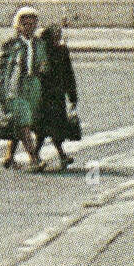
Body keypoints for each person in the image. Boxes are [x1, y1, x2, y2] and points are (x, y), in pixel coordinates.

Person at [0, 6, 45, 171]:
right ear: (18, 25)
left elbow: (44, 64)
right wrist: (0, 96)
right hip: (14, 88)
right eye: (26, 24)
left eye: (33, 24)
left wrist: (43, 68)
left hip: (33, 87)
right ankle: (34, 159)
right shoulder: (10, 44)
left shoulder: (39, 43)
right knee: (23, 119)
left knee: (23, 123)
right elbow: (2, 71)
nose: (30, 27)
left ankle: (9, 157)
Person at [36, 22, 80, 170]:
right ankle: (39, 156)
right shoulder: (41, 52)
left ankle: (56, 156)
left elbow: (68, 74)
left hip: (57, 96)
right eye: (55, 36)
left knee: (55, 129)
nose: (57, 39)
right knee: (43, 129)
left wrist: (72, 96)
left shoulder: (62, 51)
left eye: (59, 36)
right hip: (43, 96)